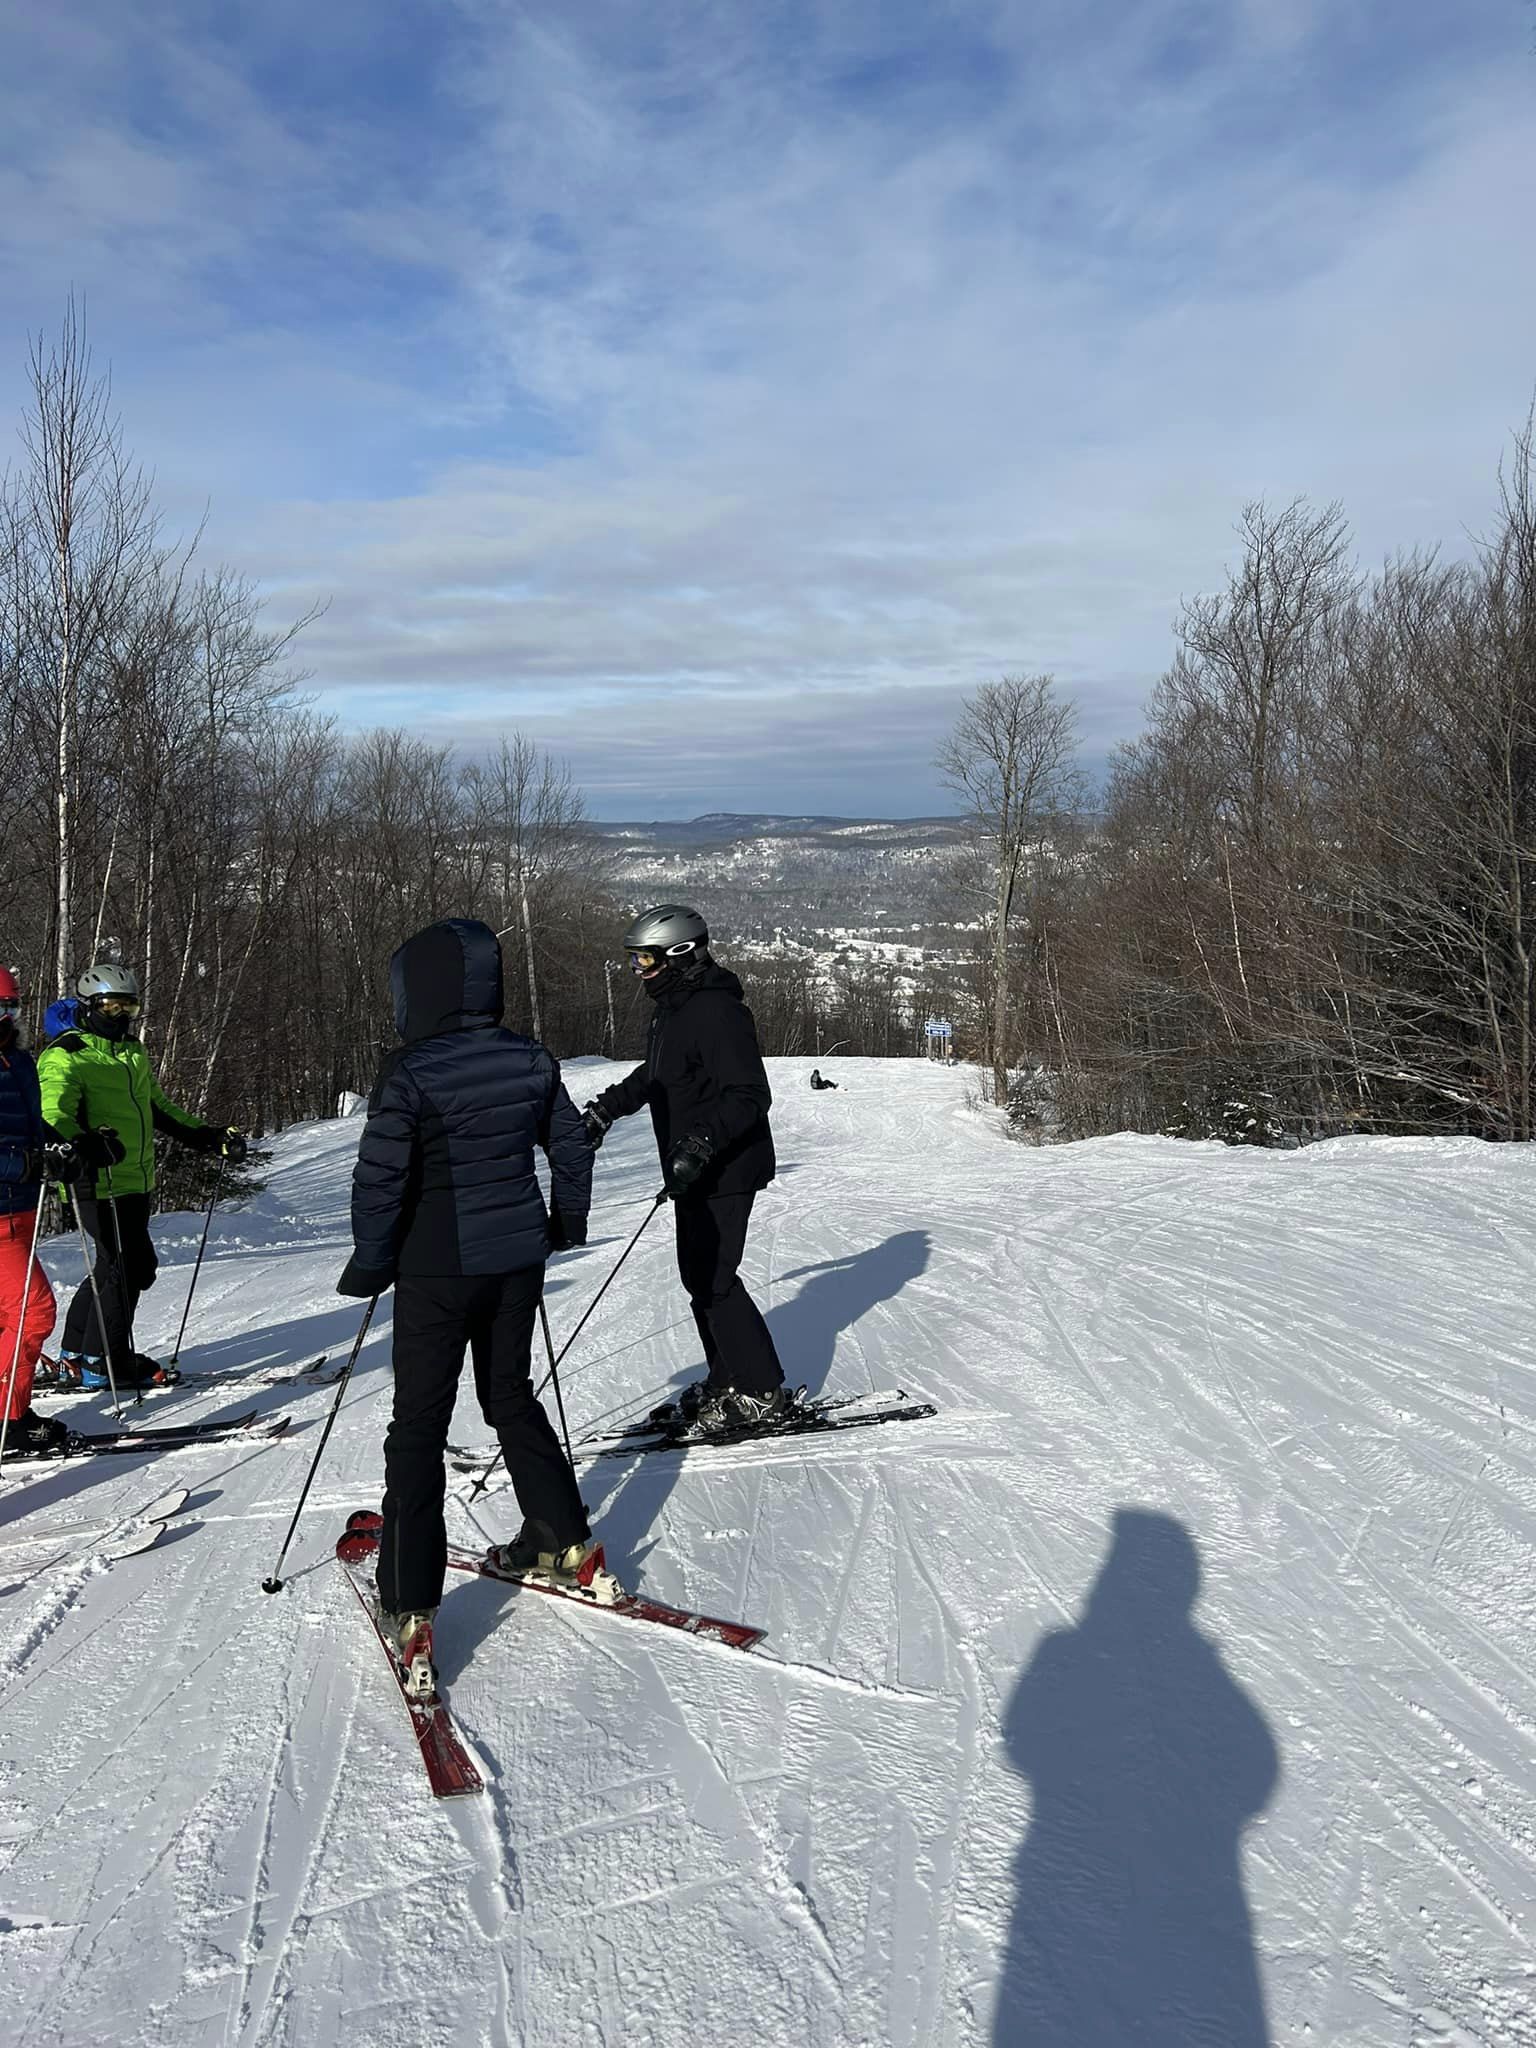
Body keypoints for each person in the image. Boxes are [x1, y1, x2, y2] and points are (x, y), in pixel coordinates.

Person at [338, 917, 604, 1695]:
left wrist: (372, 1261)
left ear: (419, 990)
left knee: (418, 1426)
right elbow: (572, 1146)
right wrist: (566, 1224)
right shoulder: (530, 1056)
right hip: (517, 1260)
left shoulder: (411, 1071)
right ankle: (563, 1541)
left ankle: (411, 1607)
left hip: (437, 1269)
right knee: (509, 1397)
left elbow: (380, 1179)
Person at [583, 903, 787, 1441]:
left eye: (645, 959)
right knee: (698, 1278)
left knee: (715, 1279)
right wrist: (606, 1109)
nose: (638, 970)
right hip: (692, 1168)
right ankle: (727, 1380)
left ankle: (762, 1391)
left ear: (681, 954)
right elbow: (656, 1075)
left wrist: (701, 1142)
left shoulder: (718, 1011)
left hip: (726, 1166)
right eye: (634, 961)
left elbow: (750, 1095)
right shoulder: (673, 1009)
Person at [36, 961, 245, 1391]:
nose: (121, 1016)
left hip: (134, 1177)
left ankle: (76, 1354)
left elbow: (156, 1107)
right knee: (128, 1266)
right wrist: (83, 1142)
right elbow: (51, 1113)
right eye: (112, 1007)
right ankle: (105, 1361)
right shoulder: (67, 1053)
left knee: (117, 1265)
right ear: (90, 1005)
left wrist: (204, 1135)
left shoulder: (133, 1052)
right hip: (92, 1179)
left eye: (129, 1007)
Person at [0, 965, 72, 1456]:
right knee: (34, 1311)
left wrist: (66, 1149)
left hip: (18, 1211)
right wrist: (24, 1163)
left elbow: (34, 1130)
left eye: (11, 1007)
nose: (5, 1017)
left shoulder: (19, 1061)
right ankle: (9, 1416)